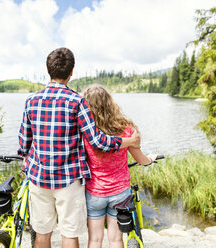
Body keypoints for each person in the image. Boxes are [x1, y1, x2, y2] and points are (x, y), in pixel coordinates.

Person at [17, 47, 141, 248]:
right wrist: (128, 142)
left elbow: (24, 141)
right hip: (69, 181)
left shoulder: (31, 100)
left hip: (38, 178)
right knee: (69, 234)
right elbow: (98, 142)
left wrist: (25, 156)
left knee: (42, 233)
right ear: (71, 72)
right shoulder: (77, 101)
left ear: (48, 70)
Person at [83, 84, 157, 248]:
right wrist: (150, 159)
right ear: (110, 102)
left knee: (94, 240)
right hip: (120, 192)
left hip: (94, 192)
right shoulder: (126, 129)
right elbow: (140, 159)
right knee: (116, 240)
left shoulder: (86, 131)